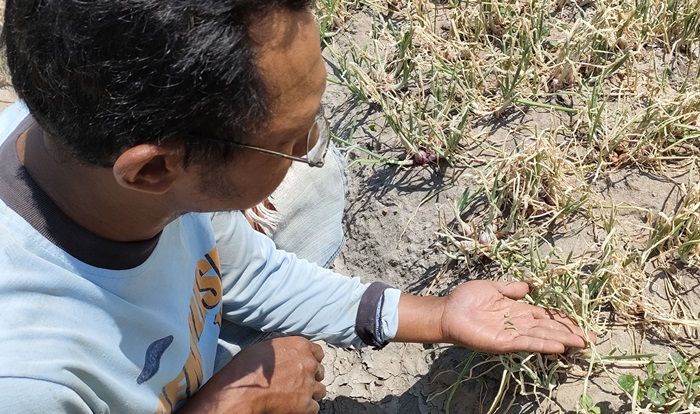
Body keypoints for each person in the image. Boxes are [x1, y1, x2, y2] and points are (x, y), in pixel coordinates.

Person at [0, 1, 589, 413]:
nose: (309, 144)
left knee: (311, 185)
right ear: (154, 169)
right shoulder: (30, 378)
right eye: (290, 138)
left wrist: (436, 317)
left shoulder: (80, 135)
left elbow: (246, 268)